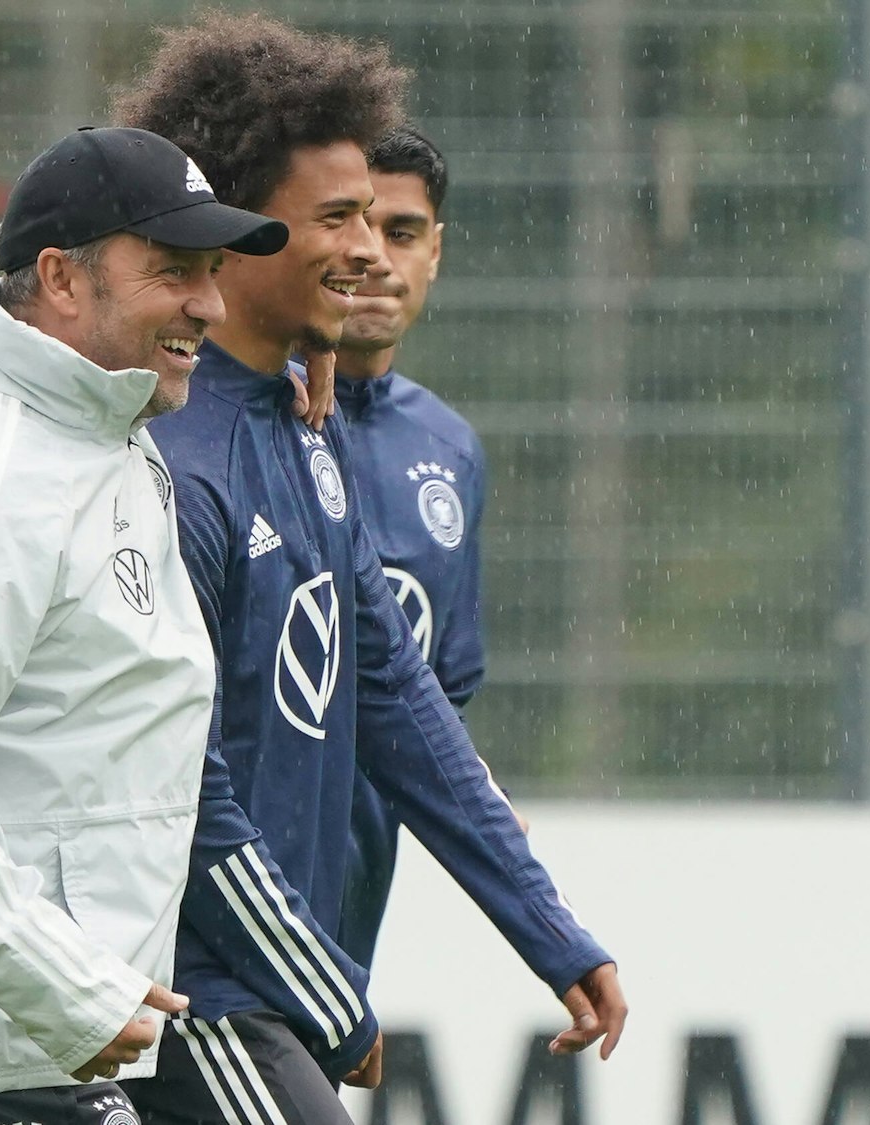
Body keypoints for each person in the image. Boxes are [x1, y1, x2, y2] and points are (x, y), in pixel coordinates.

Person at [114, 16, 628, 1124]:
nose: (367, 251)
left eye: (385, 221)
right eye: (337, 218)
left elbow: (400, 694)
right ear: (241, 231)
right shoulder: (169, 464)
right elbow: (182, 791)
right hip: (185, 995)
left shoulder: (309, 431)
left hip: (265, 987)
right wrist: (325, 995)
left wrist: (549, 931)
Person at [0, 125, 289, 1124]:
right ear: (61, 279)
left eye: (212, 272)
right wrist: (64, 987)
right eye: (173, 270)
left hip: (41, 1050)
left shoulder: (92, 426)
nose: (209, 303)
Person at [330, 124, 518, 970]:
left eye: (401, 232)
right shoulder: (226, 421)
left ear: (435, 251)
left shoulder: (450, 449)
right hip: (215, 920)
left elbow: (435, 707)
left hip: (350, 919)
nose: (374, 256)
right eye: (350, 225)